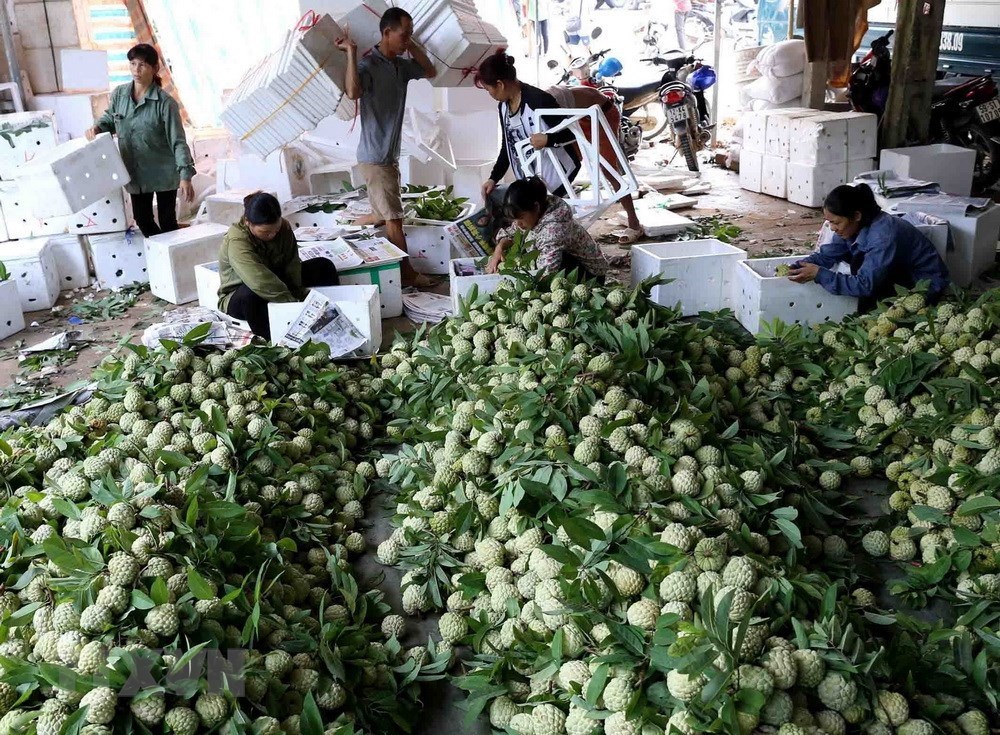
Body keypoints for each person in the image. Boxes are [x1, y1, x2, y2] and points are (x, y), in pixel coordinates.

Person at [338, 8, 437, 286]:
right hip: (375, 158)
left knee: (382, 216)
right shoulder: (368, 66)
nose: (407, 41)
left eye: (410, 35)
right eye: (403, 35)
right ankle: (407, 274)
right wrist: (351, 53)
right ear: (385, 33)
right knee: (394, 219)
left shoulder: (400, 67)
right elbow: (353, 93)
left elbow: (430, 71)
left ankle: (350, 237)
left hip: (386, 157)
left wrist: (410, 41)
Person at [87, 43, 194, 238]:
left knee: (168, 222)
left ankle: (173, 259)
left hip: (163, 173)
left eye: (143, 65)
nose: (136, 70)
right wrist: (97, 127)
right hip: (135, 172)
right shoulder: (120, 94)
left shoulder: (165, 103)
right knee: (143, 219)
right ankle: (159, 253)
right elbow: (111, 117)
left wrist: (185, 175)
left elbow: (178, 141)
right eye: (133, 64)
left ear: (154, 69)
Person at [788, 183, 949, 311]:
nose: (832, 228)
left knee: (872, 310)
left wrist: (819, 274)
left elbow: (865, 285)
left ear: (856, 216)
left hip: (921, 283)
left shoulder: (883, 236)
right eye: (829, 222)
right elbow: (828, 255)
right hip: (893, 274)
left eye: (836, 222)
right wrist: (800, 265)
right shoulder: (850, 227)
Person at [217, 192, 339, 341]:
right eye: (265, 232)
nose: (272, 235)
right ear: (248, 222)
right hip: (241, 294)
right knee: (252, 296)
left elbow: (292, 264)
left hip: (277, 281)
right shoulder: (237, 241)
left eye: (276, 229)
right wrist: (293, 304)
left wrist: (298, 291)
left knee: (323, 266)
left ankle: (336, 319)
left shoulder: (284, 228)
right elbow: (259, 281)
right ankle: (274, 343)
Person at [478, 51, 580, 216]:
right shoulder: (503, 107)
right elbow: (508, 146)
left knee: (535, 217)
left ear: (500, 84)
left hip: (557, 173)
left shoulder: (539, 100)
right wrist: (493, 178)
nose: (491, 96)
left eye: (490, 91)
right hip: (531, 176)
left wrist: (548, 139)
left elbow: (571, 133)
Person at [546, 84, 644, 241]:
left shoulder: (541, 101)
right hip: (579, 117)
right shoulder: (533, 104)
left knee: (609, 170)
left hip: (601, 114)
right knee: (568, 165)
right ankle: (564, 220)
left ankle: (634, 223)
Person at [487, 176, 608, 280]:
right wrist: (499, 248)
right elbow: (511, 233)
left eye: (521, 218)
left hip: (589, 273)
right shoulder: (539, 210)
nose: (518, 224)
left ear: (536, 207)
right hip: (557, 258)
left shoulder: (553, 230)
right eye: (515, 219)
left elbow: (545, 274)